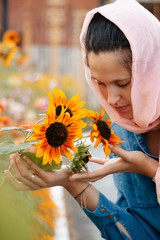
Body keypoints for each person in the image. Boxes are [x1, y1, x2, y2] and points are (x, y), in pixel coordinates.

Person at [4, 0, 160, 239]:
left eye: (123, 83)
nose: (112, 99)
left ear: (152, 69)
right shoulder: (121, 132)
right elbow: (138, 234)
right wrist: (70, 182)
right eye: (99, 83)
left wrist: (149, 168)